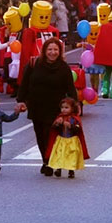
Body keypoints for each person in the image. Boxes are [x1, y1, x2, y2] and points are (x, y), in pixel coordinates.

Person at [16, 37, 77, 177]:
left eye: (56, 49)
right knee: (40, 135)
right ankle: (45, 160)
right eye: (49, 49)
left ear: (60, 51)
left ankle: (50, 161)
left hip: (56, 108)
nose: (52, 52)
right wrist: (20, 100)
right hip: (37, 106)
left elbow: (70, 88)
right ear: (44, 51)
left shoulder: (63, 67)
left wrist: (74, 106)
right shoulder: (33, 64)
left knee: (51, 135)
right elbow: (24, 84)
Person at [45, 97, 89, 179]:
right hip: (61, 139)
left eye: (66, 107)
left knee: (71, 155)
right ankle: (58, 169)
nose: (64, 110)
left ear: (72, 108)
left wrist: (71, 126)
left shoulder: (74, 119)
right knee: (59, 154)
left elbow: (78, 129)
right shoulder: (60, 117)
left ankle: (71, 170)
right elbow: (54, 129)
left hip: (71, 140)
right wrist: (58, 124)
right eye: (62, 107)